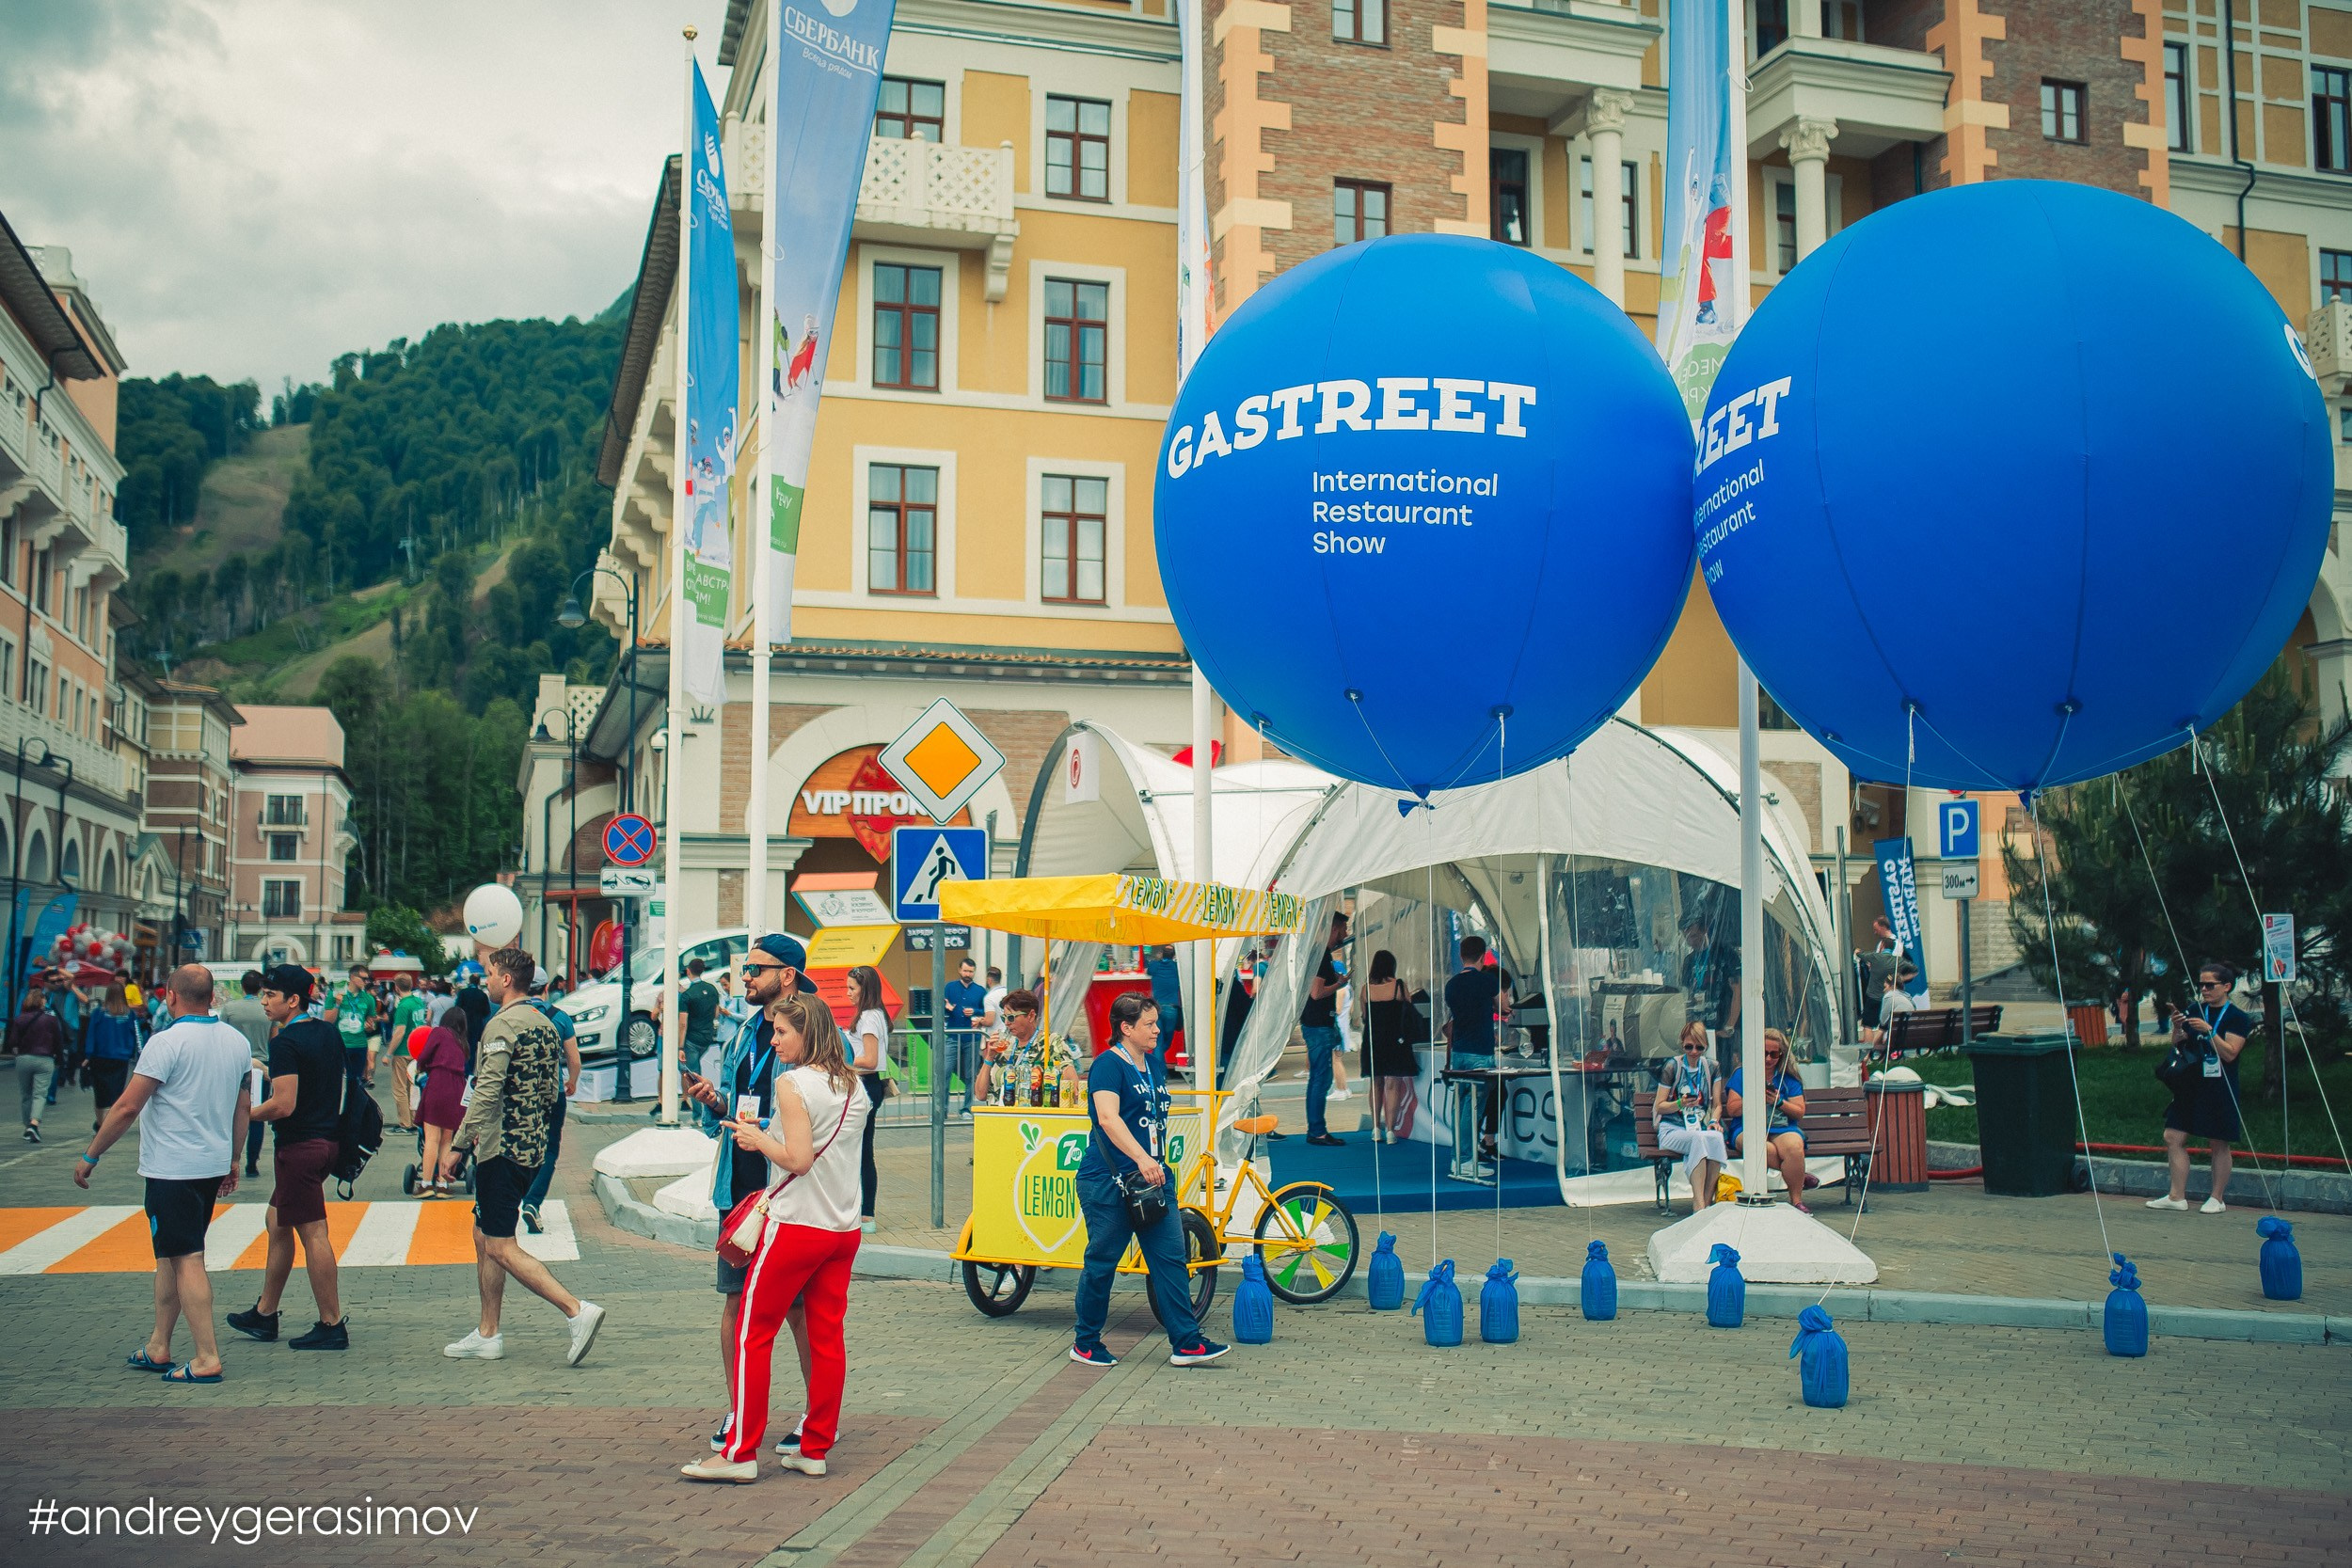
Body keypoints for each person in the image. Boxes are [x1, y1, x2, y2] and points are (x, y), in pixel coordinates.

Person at [680, 991, 874, 1483]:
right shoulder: (853, 1084)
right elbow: (822, 1143)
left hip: (796, 1225)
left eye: (783, 1031)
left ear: (806, 1032)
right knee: (827, 1338)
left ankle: (740, 1452)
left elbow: (799, 1159)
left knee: (752, 1332)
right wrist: (770, 1129)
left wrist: (758, 1140)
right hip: (842, 1229)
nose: (774, 1038)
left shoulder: (793, 1082)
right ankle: (815, 1446)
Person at [75, 965, 249, 1382]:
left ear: (171, 995)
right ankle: (159, 1345)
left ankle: (207, 1357)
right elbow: (242, 1107)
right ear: (212, 996)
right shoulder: (237, 1042)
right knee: (170, 1255)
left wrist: (92, 1154)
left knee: (187, 1257)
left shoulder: (165, 1042)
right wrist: (234, 1158)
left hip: (173, 1168)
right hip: (209, 1164)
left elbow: (127, 1107)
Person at [679, 932, 813, 1456]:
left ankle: (816, 1415)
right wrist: (715, 1101)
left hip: (789, 1189)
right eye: (745, 967)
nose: (745, 977)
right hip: (739, 1187)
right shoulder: (743, 1031)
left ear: (787, 976)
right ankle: (739, 1410)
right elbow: (742, 1102)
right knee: (735, 1302)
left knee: (800, 1311)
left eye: (756, 968)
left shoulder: (818, 1032)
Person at [439, 945, 606, 1365]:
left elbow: (486, 1091)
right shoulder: (545, 1022)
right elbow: (552, 1089)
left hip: (501, 1149)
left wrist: (459, 1145)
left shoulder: (503, 1025)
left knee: (499, 1245)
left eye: (490, 974)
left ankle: (575, 1310)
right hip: (529, 1147)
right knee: (485, 1233)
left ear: (507, 979)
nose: (487, 981)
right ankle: (488, 1332)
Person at [1069, 994, 1228, 1370]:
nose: (1158, 1030)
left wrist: (1152, 1162)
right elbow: (1107, 1119)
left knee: (1171, 1259)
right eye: (1149, 1024)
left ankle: (1187, 1343)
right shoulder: (1108, 1065)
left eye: (1157, 1023)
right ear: (1126, 1028)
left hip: (1152, 1180)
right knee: (1103, 1260)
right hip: (1110, 1180)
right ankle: (1086, 1341)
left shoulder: (1153, 1066)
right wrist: (1140, 1158)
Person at [228, 965, 349, 1351]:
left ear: (293, 1000)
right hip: (328, 1141)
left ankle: (331, 1324)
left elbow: (283, 1104)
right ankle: (265, 1313)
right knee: (276, 1221)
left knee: (314, 1233)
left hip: (300, 1148)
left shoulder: (285, 1043)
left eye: (270, 995)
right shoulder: (328, 1032)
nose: (263, 1002)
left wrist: (244, 1113)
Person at [2148, 962, 2251, 1213]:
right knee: (2173, 1136)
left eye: (2210, 985)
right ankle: (2176, 1196)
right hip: (2191, 1083)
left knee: (2218, 1141)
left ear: (2226, 987)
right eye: (2201, 984)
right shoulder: (2196, 1009)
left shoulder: (2238, 1018)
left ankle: (2217, 1198)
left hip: (2219, 1085)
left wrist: (2210, 1031)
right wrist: (2176, 1027)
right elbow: (2179, 1044)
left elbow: (2230, 1054)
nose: (2204, 989)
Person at [518, 967, 582, 1234]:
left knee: (524, 1146)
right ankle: (533, 1202)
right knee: (550, 1149)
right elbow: (574, 1059)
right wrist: (572, 1081)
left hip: (522, 1094)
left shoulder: (514, 1016)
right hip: (553, 1092)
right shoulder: (560, 1017)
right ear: (546, 989)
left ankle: (518, 1196)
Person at [1724, 1028, 1811, 1213]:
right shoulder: (1742, 1074)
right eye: (1764, 1053)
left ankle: (1796, 1201)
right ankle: (1798, 1175)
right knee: (1763, 1149)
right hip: (1746, 1127)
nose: (1768, 1059)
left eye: (1774, 1054)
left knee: (1795, 1147)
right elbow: (1732, 1109)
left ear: (1781, 1054)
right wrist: (1756, 1098)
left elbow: (1799, 1112)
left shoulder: (1789, 1078)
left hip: (1782, 1127)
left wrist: (1779, 1102)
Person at [1442, 936, 1508, 1159]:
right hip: (1481, 1052)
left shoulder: (1451, 985)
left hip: (1459, 1052)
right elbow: (1503, 1006)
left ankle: (1458, 1156)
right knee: (1473, 1109)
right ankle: (1467, 1158)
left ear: (1461, 956)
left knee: (1459, 1108)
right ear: (1483, 956)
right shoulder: (1488, 982)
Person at [1653, 1023, 1726, 1211]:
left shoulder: (1712, 1067)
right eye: (1689, 1047)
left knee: (1716, 1138)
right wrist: (1679, 1103)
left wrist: (1713, 1121)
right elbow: (1659, 1106)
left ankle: (1707, 1200)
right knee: (1698, 1140)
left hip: (1699, 1126)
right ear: (1682, 1045)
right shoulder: (1673, 1066)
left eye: (1699, 1047)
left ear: (1705, 1047)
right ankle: (1698, 1203)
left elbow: (1717, 1104)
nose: (1694, 1052)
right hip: (1672, 1128)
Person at [972, 990, 1078, 1104]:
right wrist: (989, 1057)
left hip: (1033, 1118)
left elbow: (1072, 1083)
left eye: (1011, 1017)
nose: (1007, 1023)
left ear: (1031, 1016)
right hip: (1001, 1116)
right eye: (1004, 1018)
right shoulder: (1006, 1044)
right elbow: (980, 1094)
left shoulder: (1050, 1042)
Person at [1298, 911, 1349, 1147]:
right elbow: (1316, 993)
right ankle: (1317, 1131)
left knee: (1320, 1077)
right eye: (1343, 930)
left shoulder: (1321, 954)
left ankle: (1317, 1128)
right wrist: (1339, 984)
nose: (1345, 935)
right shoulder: (1319, 956)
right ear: (1334, 929)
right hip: (1318, 1025)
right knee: (1321, 1077)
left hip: (1319, 1023)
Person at [1360, 951, 1420, 1144]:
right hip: (1395, 1041)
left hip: (1373, 1041)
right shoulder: (1399, 986)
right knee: (1392, 1085)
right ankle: (1390, 1131)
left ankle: (1376, 1128)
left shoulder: (1365, 989)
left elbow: (1364, 1017)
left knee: (1375, 1083)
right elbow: (1410, 1010)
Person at [847, 965, 889, 1232]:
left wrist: (841, 1059)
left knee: (859, 1151)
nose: (848, 993)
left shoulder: (868, 1018)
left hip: (865, 1084)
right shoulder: (874, 1015)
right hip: (868, 1086)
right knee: (861, 1150)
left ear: (866, 989)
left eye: (852, 988)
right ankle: (865, 1213)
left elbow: (870, 1060)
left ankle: (866, 1214)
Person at [411, 1011, 471, 1198]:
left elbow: (425, 1055)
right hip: (457, 1089)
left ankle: (426, 1184)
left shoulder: (439, 1032)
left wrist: (420, 1066)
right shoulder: (463, 1043)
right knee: (447, 1140)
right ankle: (443, 1184)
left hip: (438, 1084)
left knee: (431, 1139)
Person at [222, 971, 274, 1176]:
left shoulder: (230, 1008)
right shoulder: (267, 1009)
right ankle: (252, 1162)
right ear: (261, 987)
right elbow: (274, 1038)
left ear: (242, 987)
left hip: (234, 1065)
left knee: (231, 1112)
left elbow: (222, 1035)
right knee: (256, 1115)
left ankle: (229, 1158)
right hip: (261, 1066)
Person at [1681, 916, 1740, 1069]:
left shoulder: (1725, 953)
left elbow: (1737, 991)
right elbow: (1688, 996)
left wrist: (1730, 1025)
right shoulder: (1689, 961)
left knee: (1723, 1071)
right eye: (1686, 938)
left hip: (1722, 1025)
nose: (1691, 942)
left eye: (1694, 936)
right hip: (1700, 1029)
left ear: (1705, 930)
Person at [86, 981, 143, 1130]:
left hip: (100, 1057)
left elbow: (91, 1034)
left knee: (100, 1094)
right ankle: (111, 1125)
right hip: (121, 1059)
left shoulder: (98, 1013)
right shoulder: (130, 1014)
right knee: (116, 1094)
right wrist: (141, 1054)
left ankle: (100, 1123)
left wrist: (88, 1055)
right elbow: (137, 1036)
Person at [9, 988, 62, 1142]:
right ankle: (34, 1124)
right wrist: (60, 1060)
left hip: (24, 1059)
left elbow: (12, 1042)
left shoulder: (19, 1019)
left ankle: (28, 1126)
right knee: (40, 1094)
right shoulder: (50, 1019)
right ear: (41, 1001)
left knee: (26, 1095)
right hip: (45, 1059)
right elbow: (58, 1042)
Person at [943, 957, 987, 1117]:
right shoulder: (949, 987)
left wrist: (975, 1012)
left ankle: (967, 1108)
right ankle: (942, 1110)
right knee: (945, 1072)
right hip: (952, 1036)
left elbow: (985, 1011)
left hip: (972, 1037)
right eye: (966, 970)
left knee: (970, 1074)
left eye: (971, 971)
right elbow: (941, 1006)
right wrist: (947, 1008)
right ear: (959, 970)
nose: (968, 974)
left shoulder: (980, 991)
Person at [388, 972, 428, 1132]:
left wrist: (388, 1052)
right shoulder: (418, 1002)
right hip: (417, 1050)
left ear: (396, 987)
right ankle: (414, 1119)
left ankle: (405, 1123)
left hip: (403, 1049)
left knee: (400, 1089)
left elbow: (400, 1031)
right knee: (413, 1088)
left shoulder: (403, 1006)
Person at [679, 958, 723, 1084]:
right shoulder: (712, 989)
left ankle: (700, 1102)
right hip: (707, 1036)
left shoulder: (687, 995)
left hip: (692, 1038)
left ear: (688, 972)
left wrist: (680, 1047)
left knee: (693, 1075)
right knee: (695, 1069)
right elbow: (715, 1013)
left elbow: (683, 1023)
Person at [333, 964, 375, 1091]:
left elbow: (371, 1023)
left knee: (355, 1083)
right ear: (352, 977)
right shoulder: (337, 994)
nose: (366, 982)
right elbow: (327, 1021)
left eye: (367, 979)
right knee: (336, 1081)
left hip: (359, 1045)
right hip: (340, 1044)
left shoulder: (368, 999)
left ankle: (353, 1109)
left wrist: (370, 1027)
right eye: (363, 978)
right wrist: (337, 1005)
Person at [1861, 963, 1920, 1047]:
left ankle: (1869, 1053)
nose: (1884, 990)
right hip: (1908, 1031)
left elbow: (1883, 1020)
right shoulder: (1907, 996)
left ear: (1892, 986)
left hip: (1897, 1032)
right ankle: (1876, 1054)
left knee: (1882, 1027)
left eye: (1885, 987)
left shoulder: (1889, 996)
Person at [1146, 944, 1184, 1050]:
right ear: (1174, 955)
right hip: (1171, 1009)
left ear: (1162, 954)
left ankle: (1157, 1063)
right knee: (1166, 1042)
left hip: (1156, 1008)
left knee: (1157, 1041)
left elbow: (1148, 971)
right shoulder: (1177, 967)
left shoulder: (1154, 965)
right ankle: (1157, 1062)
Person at [980, 966, 1008, 1033]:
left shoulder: (989, 997)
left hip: (995, 1035)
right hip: (1008, 1033)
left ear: (989, 980)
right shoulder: (1008, 992)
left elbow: (989, 1022)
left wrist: (980, 1021)